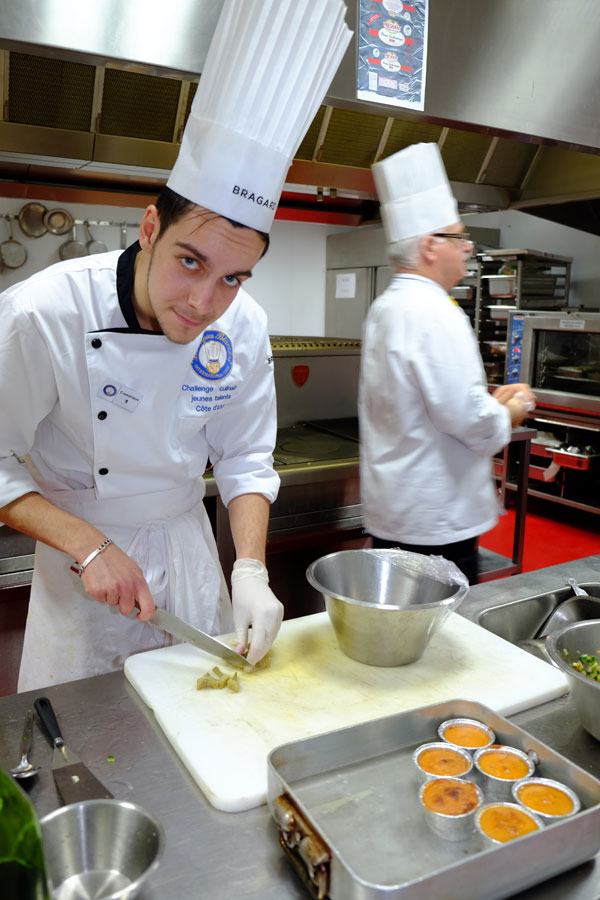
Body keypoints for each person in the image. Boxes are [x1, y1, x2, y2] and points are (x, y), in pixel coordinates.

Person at [0, 0, 351, 691]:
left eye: (233, 278)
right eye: (191, 262)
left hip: (190, 555)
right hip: (82, 570)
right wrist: (89, 544)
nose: (204, 303)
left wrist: (249, 568)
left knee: (203, 714)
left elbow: (245, 458)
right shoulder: (43, 313)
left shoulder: (241, 325)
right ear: (149, 228)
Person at [359, 142, 535, 584]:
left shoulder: (387, 306)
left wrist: (488, 401)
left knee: (396, 615)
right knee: (438, 622)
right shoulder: (435, 311)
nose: (468, 246)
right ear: (430, 246)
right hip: (436, 521)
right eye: (459, 237)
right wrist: (512, 410)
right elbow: (469, 421)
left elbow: (429, 403)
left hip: (398, 511)